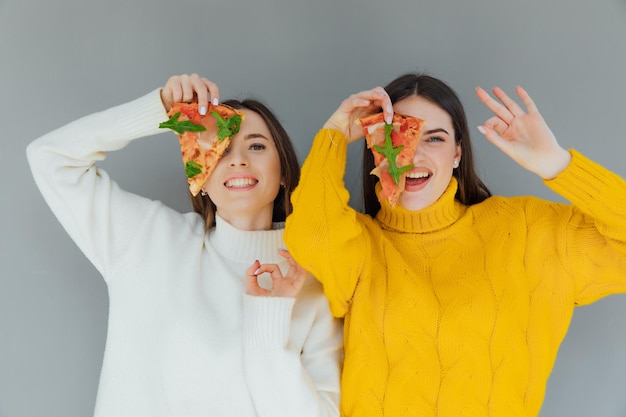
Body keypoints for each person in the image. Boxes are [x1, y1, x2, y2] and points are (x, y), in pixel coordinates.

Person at [284, 72, 626, 417]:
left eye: (434, 139)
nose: (414, 156)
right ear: (375, 150)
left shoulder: (526, 231)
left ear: (457, 154)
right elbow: (311, 236)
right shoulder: (358, 245)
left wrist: (558, 165)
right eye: (397, 137)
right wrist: (335, 135)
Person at [26, 73, 342, 417]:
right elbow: (49, 157)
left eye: (256, 145)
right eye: (218, 147)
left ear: (283, 173)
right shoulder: (149, 239)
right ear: (200, 175)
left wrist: (269, 318)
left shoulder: (313, 282)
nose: (237, 160)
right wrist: (160, 111)